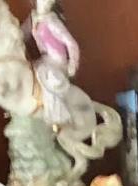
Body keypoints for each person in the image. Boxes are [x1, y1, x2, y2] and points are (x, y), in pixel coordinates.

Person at [29, 0, 80, 128]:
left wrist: (73, 63)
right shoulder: (34, 19)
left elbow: (71, 43)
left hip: (57, 60)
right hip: (45, 58)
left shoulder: (52, 21)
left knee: (44, 73)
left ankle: (57, 114)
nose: (47, 3)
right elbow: (23, 33)